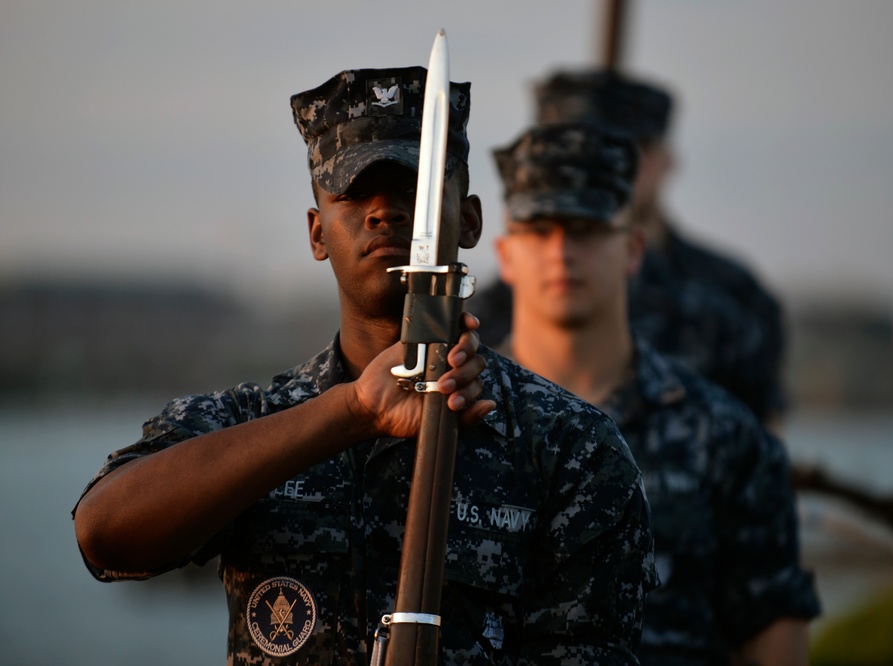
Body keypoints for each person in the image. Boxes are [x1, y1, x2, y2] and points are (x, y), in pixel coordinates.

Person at [72, 65, 656, 665]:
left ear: (472, 219)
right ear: (317, 231)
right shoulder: (252, 421)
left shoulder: (568, 448)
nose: (383, 212)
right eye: (353, 193)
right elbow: (105, 536)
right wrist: (347, 413)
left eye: (413, 191)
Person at [489, 121, 820, 665]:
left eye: (587, 227)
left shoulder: (722, 434)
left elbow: (774, 627)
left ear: (634, 249)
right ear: (505, 254)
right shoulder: (457, 417)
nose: (562, 251)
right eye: (539, 227)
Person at [469, 69, 787, 431]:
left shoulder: (733, 300)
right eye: (566, 146)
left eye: (622, 146)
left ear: (665, 158)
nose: (586, 164)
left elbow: (763, 436)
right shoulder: (485, 317)